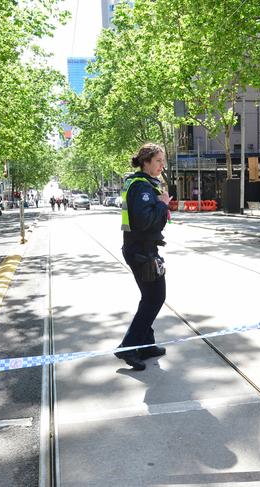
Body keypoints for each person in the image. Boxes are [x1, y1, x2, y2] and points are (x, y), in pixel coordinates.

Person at [115, 143, 172, 370]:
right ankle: (128, 347)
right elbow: (143, 220)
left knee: (150, 298)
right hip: (141, 251)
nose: (161, 165)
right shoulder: (142, 187)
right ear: (146, 161)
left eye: (162, 161)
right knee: (155, 298)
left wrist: (160, 205)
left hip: (144, 249)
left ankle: (147, 344)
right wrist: (162, 204)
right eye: (158, 161)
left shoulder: (145, 184)